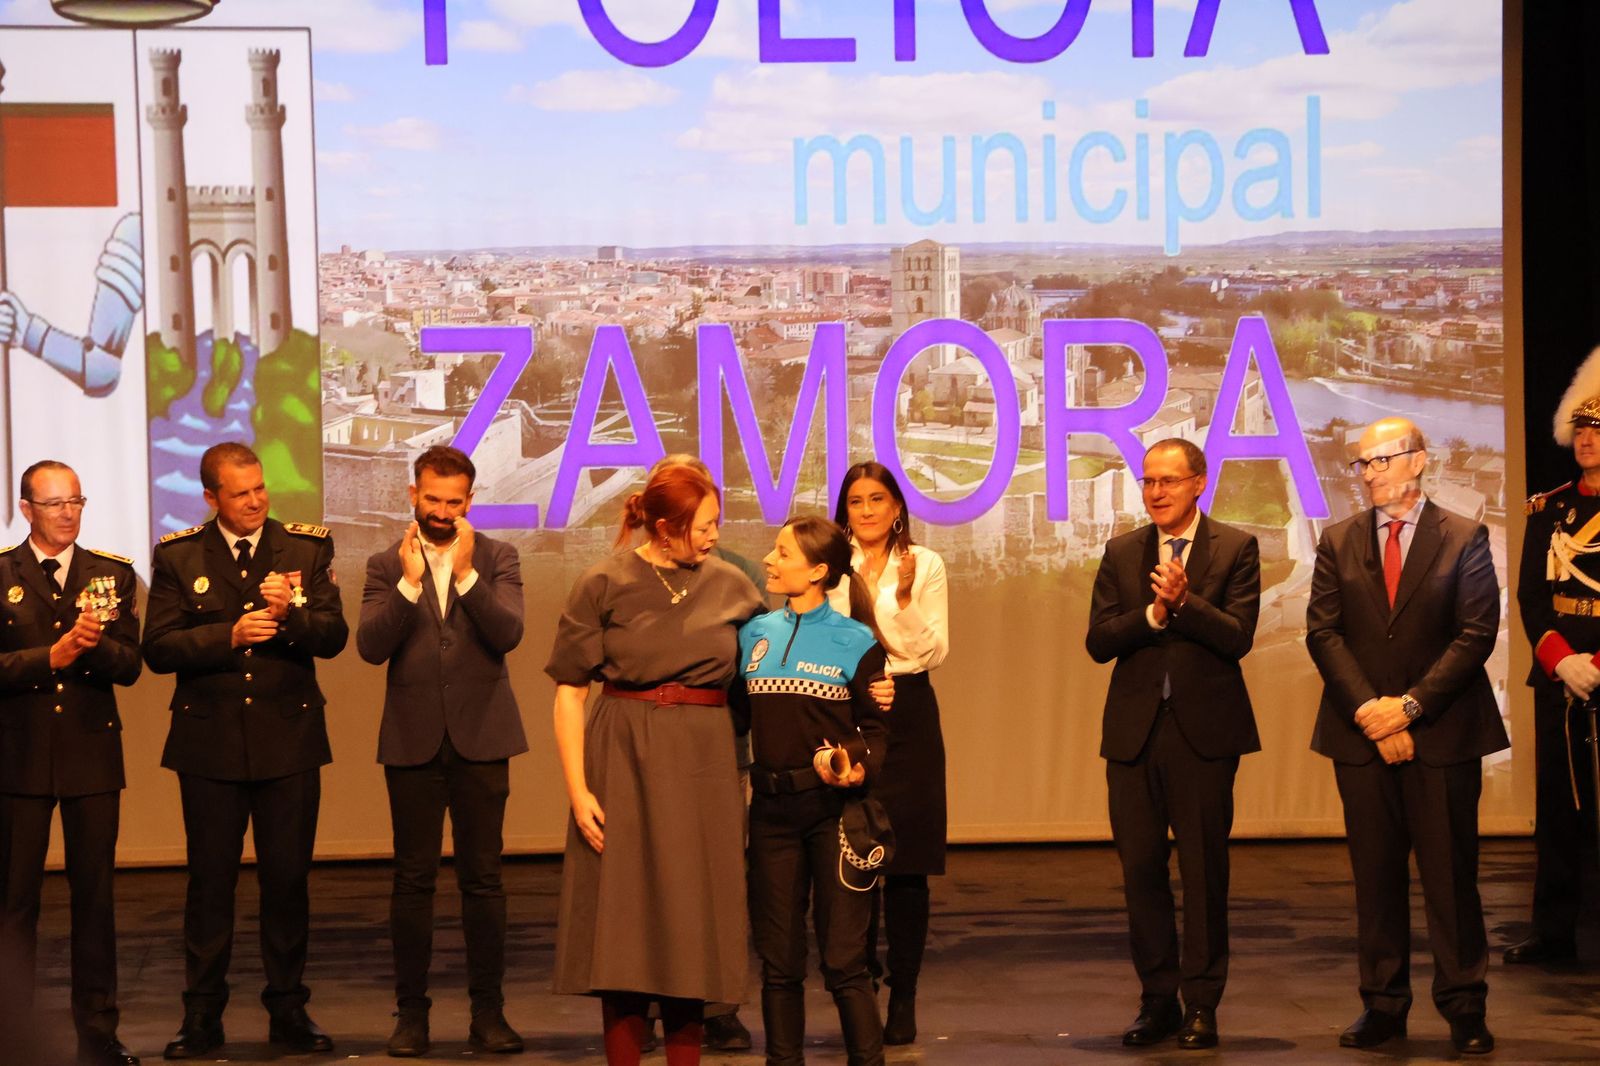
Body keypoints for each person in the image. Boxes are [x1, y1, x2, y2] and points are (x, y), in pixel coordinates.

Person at [546, 462, 764, 1066]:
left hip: (702, 760)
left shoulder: (734, 587)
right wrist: (578, 788)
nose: (715, 535)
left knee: (691, 918)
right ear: (664, 527)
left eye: (717, 523)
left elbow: (777, 670)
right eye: (704, 525)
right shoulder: (603, 582)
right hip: (623, 757)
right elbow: (570, 689)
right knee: (624, 923)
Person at [142, 442, 349, 1059]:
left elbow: (334, 637)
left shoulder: (307, 548)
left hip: (289, 741)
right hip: (209, 745)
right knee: (210, 885)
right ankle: (201, 1018)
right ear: (211, 498)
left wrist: (292, 617)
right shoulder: (180, 555)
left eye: (260, 488)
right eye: (240, 493)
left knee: (287, 883)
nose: (256, 501)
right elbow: (158, 648)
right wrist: (225, 636)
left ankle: (289, 1012)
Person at [1306, 417, 1504, 1055]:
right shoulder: (1337, 540)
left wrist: (1410, 708)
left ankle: (1465, 1007)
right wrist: (1372, 710)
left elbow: (1475, 635)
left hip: (1442, 733)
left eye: (1380, 461)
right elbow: (1323, 633)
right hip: (1361, 734)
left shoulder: (1465, 536)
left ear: (1418, 462)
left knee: (1451, 878)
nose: (1368, 474)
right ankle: (1384, 1006)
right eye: (1361, 464)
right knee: (1375, 878)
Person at [1084, 438, 1260, 1051]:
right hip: (1134, 734)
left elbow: (1238, 637)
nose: (1155, 492)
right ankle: (1157, 999)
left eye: (1168, 481)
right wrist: (1154, 617)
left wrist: (1184, 604)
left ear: (1198, 483)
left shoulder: (1236, 547)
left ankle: (1202, 1004)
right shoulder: (1122, 551)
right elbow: (1100, 640)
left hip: (1204, 734)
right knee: (1140, 872)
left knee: (1204, 871)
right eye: (1147, 481)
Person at [356, 445, 527, 1057]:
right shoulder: (383, 564)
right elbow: (370, 648)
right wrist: (408, 584)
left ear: (470, 502)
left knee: (484, 881)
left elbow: (508, 633)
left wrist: (466, 574)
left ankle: (489, 1013)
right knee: (413, 882)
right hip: (413, 739)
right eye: (433, 500)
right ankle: (412, 1016)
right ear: (413, 495)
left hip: (483, 737)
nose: (443, 512)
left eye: (455, 503)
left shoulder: (499, 557)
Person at [0, 461, 140, 1066]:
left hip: (90, 754)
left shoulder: (110, 572)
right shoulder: (2, 573)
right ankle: (10, 1034)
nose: (68, 513)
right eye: (54, 503)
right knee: (14, 905)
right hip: (18, 757)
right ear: (26, 508)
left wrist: (96, 646)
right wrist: (48, 658)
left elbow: (132, 665)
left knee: (95, 899)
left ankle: (98, 1036)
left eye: (75, 501)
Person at [738, 515, 890, 1066]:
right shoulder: (753, 634)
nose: (770, 560)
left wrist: (857, 768)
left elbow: (876, 732)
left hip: (833, 814)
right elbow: (734, 714)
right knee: (779, 964)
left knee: (844, 961)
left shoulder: (857, 641)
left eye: (782, 553)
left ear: (818, 571)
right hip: (771, 813)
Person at [828, 461, 948, 1045]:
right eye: (856, 501)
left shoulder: (924, 565)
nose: (868, 510)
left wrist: (900, 599)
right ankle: (859, 985)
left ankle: (904, 992)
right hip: (849, 710)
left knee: (907, 864)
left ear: (897, 506)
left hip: (910, 712)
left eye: (878, 498)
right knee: (853, 860)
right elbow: (831, 642)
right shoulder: (832, 568)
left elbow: (932, 650)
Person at [1508, 347, 1600, 965]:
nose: (1588, 438)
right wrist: (1560, 659)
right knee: (1558, 812)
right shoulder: (1550, 509)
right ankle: (1554, 932)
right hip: (1560, 674)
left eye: (1599, 429)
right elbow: (1531, 596)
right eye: (1584, 427)